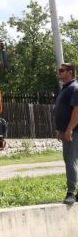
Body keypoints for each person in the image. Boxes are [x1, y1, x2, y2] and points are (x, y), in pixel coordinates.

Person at [55, 62, 78, 204]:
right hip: (68, 131)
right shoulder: (66, 89)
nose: (59, 72)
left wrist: (69, 129)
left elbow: (76, 110)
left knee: (70, 160)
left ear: (70, 72)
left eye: (61, 70)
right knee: (71, 160)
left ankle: (71, 193)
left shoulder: (74, 88)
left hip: (74, 131)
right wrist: (61, 130)